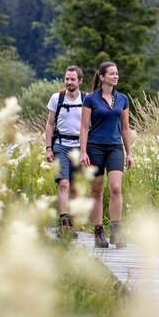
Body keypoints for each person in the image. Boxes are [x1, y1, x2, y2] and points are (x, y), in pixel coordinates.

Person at [79, 61, 133, 248]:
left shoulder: (123, 99)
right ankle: (98, 232)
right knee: (97, 190)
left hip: (115, 147)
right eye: (112, 74)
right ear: (102, 77)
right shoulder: (90, 99)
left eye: (117, 73)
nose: (115, 76)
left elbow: (125, 129)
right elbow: (84, 127)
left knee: (116, 188)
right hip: (95, 148)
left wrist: (129, 153)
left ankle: (116, 232)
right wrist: (83, 151)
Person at [44, 65, 85, 238]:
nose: (69, 82)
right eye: (67, 79)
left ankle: (72, 223)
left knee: (75, 187)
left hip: (79, 146)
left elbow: (89, 126)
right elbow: (49, 124)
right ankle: (63, 223)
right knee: (63, 184)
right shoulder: (57, 98)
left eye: (72, 79)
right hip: (60, 144)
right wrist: (48, 148)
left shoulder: (87, 100)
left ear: (80, 81)